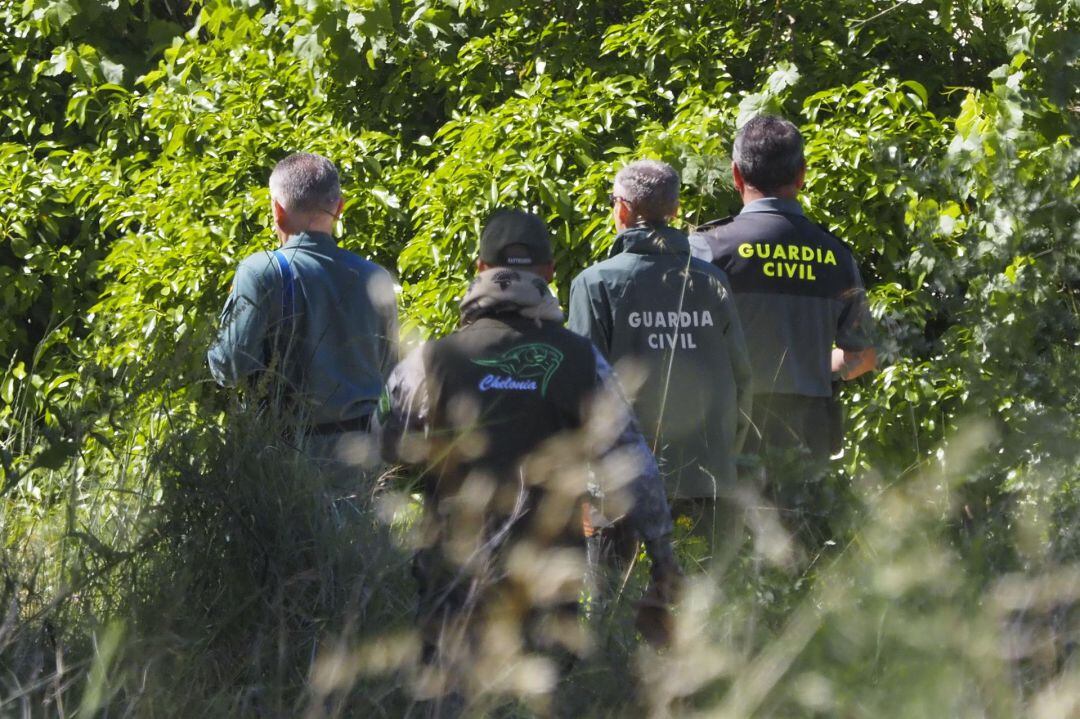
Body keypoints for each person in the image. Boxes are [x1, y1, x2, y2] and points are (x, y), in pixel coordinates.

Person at [377, 209, 679, 715]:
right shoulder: (583, 360)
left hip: (452, 576)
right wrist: (664, 556)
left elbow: (385, 447)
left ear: (479, 268)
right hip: (549, 577)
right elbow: (635, 466)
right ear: (549, 274)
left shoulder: (429, 359)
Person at [689, 115, 877, 543]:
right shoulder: (836, 256)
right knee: (801, 562)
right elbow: (862, 356)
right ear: (801, 175)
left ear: (737, 175)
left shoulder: (708, 249)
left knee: (721, 562)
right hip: (808, 438)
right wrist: (814, 365)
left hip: (726, 436)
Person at [567, 160, 753, 555]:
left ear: (622, 209)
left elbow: (581, 393)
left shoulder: (595, 283)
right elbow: (741, 379)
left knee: (614, 604)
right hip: (708, 477)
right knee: (705, 601)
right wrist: (724, 457)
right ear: (676, 209)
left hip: (620, 485)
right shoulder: (710, 280)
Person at [208, 152, 398, 472]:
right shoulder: (374, 277)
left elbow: (227, 368)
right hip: (364, 461)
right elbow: (391, 371)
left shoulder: (262, 271)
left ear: (277, 211)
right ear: (339, 207)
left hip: (288, 463)